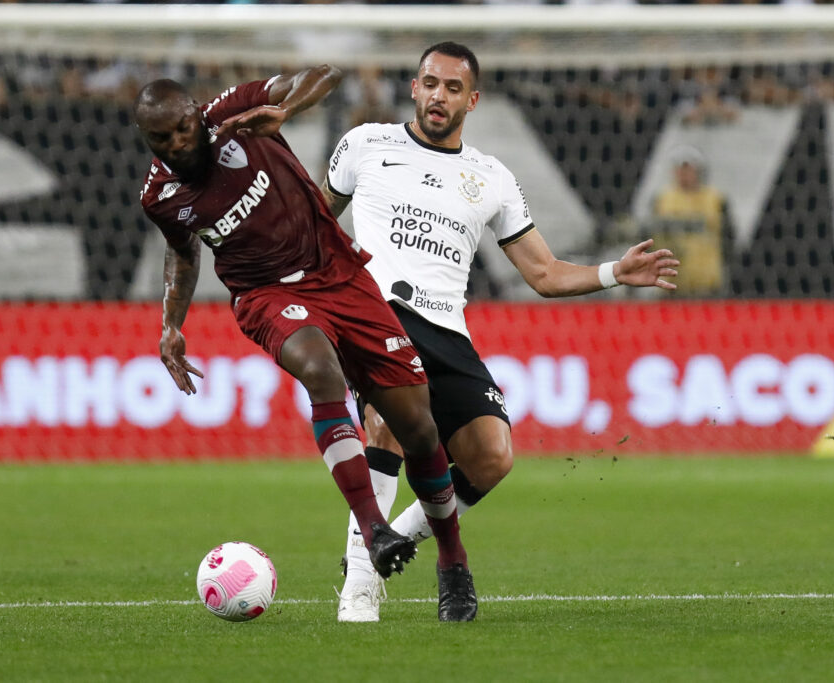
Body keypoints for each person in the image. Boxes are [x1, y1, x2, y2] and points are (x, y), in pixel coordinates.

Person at [321, 42, 680, 622]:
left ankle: (397, 537)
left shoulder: (490, 177)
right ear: (413, 88)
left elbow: (543, 272)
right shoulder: (365, 145)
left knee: (492, 457)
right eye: (430, 83)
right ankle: (360, 587)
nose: (439, 95)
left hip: (447, 330)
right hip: (378, 315)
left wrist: (616, 272)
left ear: (473, 100)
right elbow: (314, 223)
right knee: (385, 423)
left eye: (453, 88)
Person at [134, 65, 478, 621]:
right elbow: (182, 251)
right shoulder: (160, 196)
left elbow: (325, 73)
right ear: (147, 141)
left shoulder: (233, 116)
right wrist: (171, 324)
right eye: (160, 138)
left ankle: (453, 563)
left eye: (181, 128)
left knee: (418, 429)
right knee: (321, 371)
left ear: (196, 115)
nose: (176, 143)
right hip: (265, 295)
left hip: (340, 275)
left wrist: (287, 110)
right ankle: (374, 531)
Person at [651, 145, 732, 297]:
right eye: (680, 169)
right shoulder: (661, 200)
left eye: (688, 169)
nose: (683, 174)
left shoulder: (716, 199)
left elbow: (729, 240)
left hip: (707, 284)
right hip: (671, 285)